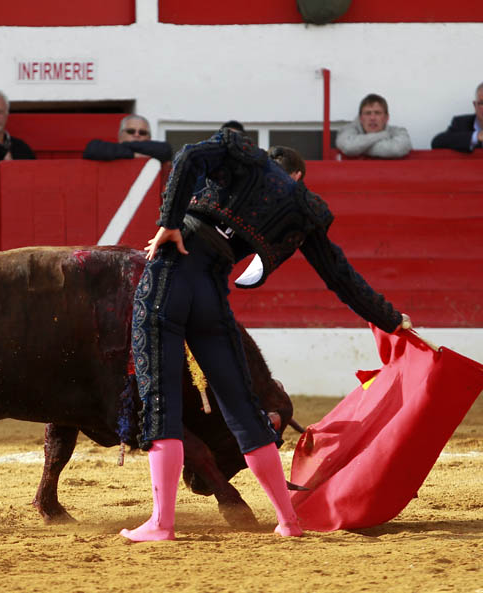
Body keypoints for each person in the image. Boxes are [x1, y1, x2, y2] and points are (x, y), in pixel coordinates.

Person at [120, 128, 411, 542]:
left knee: (161, 400)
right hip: (212, 292)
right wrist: (392, 318)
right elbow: (341, 278)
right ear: (296, 176)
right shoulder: (301, 209)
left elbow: (185, 157)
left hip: (171, 272)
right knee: (242, 407)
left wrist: (168, 223)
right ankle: (288, 521)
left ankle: (162, 523)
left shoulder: (240, 154)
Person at [336, 94, 411, 159]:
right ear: (361, 118)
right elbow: (348, 147)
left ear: (386, 118)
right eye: (368, 113)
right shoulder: (348, 129)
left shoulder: (398, 131)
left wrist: (358, 148)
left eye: (377, 113)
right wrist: (381, 135)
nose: (372, 118)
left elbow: (397, 149)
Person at [82, 114, 172, 162]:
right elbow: (92, 148)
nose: (137, 135)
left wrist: (124, 147)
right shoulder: (106, 149)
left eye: (142, 132)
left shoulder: (159, 150)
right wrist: (132, 155)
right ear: (120, 136)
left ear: (149, 137)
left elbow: (166, 150)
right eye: (131, 131)